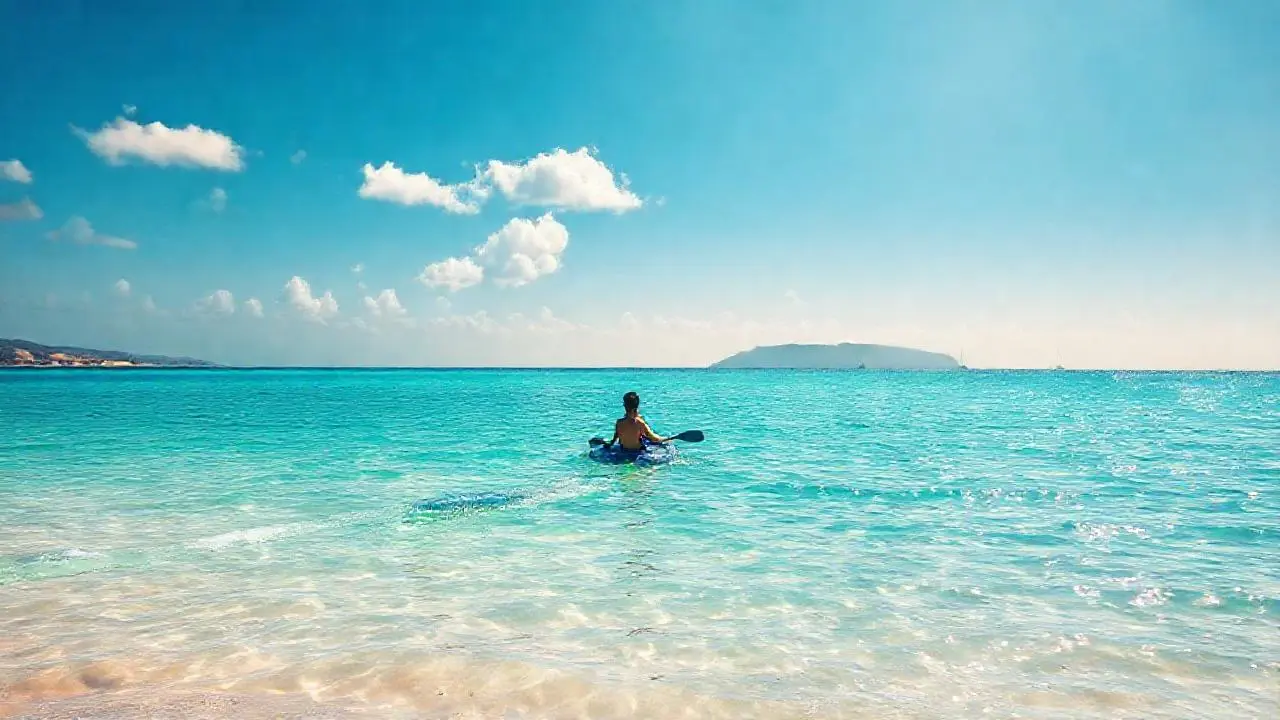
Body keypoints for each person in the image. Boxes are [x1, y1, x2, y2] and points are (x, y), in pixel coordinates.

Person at [607, 391, 673, 451]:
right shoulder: (640, 423)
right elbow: (654, 438)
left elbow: (614, 441)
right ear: (636, 408)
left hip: (623, 450)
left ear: (625, 406)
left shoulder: (619, 423)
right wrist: (668, 439)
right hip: (638, 452)